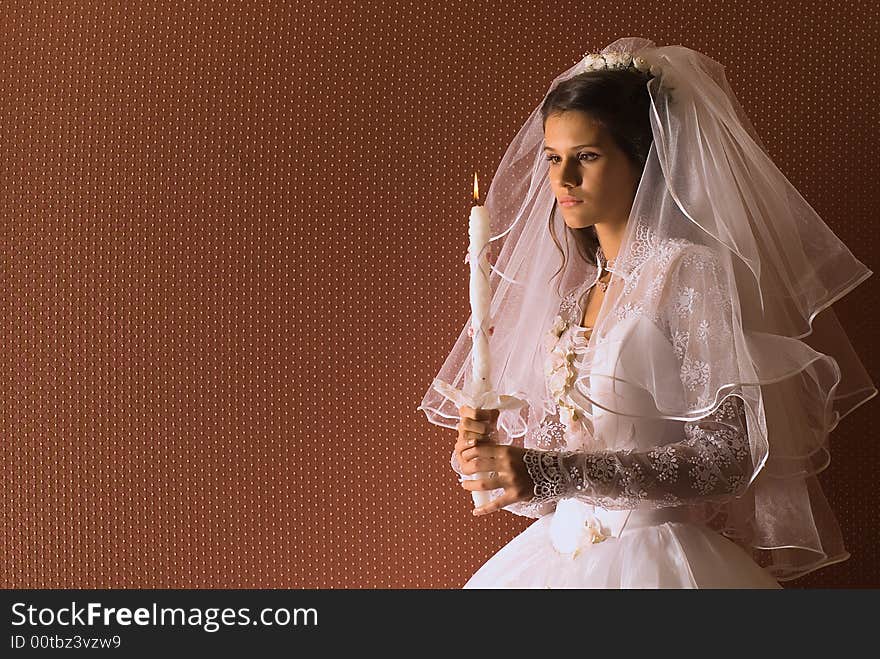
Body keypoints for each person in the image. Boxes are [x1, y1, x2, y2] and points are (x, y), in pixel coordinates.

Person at [418, 37, 876, 588]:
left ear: (645, 157)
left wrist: (546, 471)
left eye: (586, 156)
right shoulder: (577, 296)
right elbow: (570, 467)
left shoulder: (687, 273)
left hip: (656, 562)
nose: (562, 180)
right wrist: (498, 463)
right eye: (553, 158)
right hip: (556, 559)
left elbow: (727, 457)